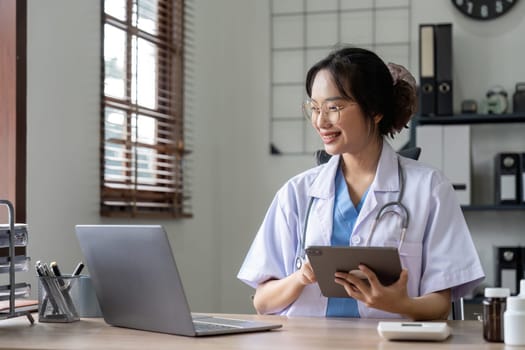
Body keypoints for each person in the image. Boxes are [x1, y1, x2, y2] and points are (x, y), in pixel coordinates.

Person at [237, 46, 485, 320]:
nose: (321, 121)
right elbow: (262, 302)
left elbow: (440, 305)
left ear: (375, 110)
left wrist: (398, 303)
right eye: (315, 108)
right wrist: (300, 278)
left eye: (334, 108)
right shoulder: (296, 193)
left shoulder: (430, 190)